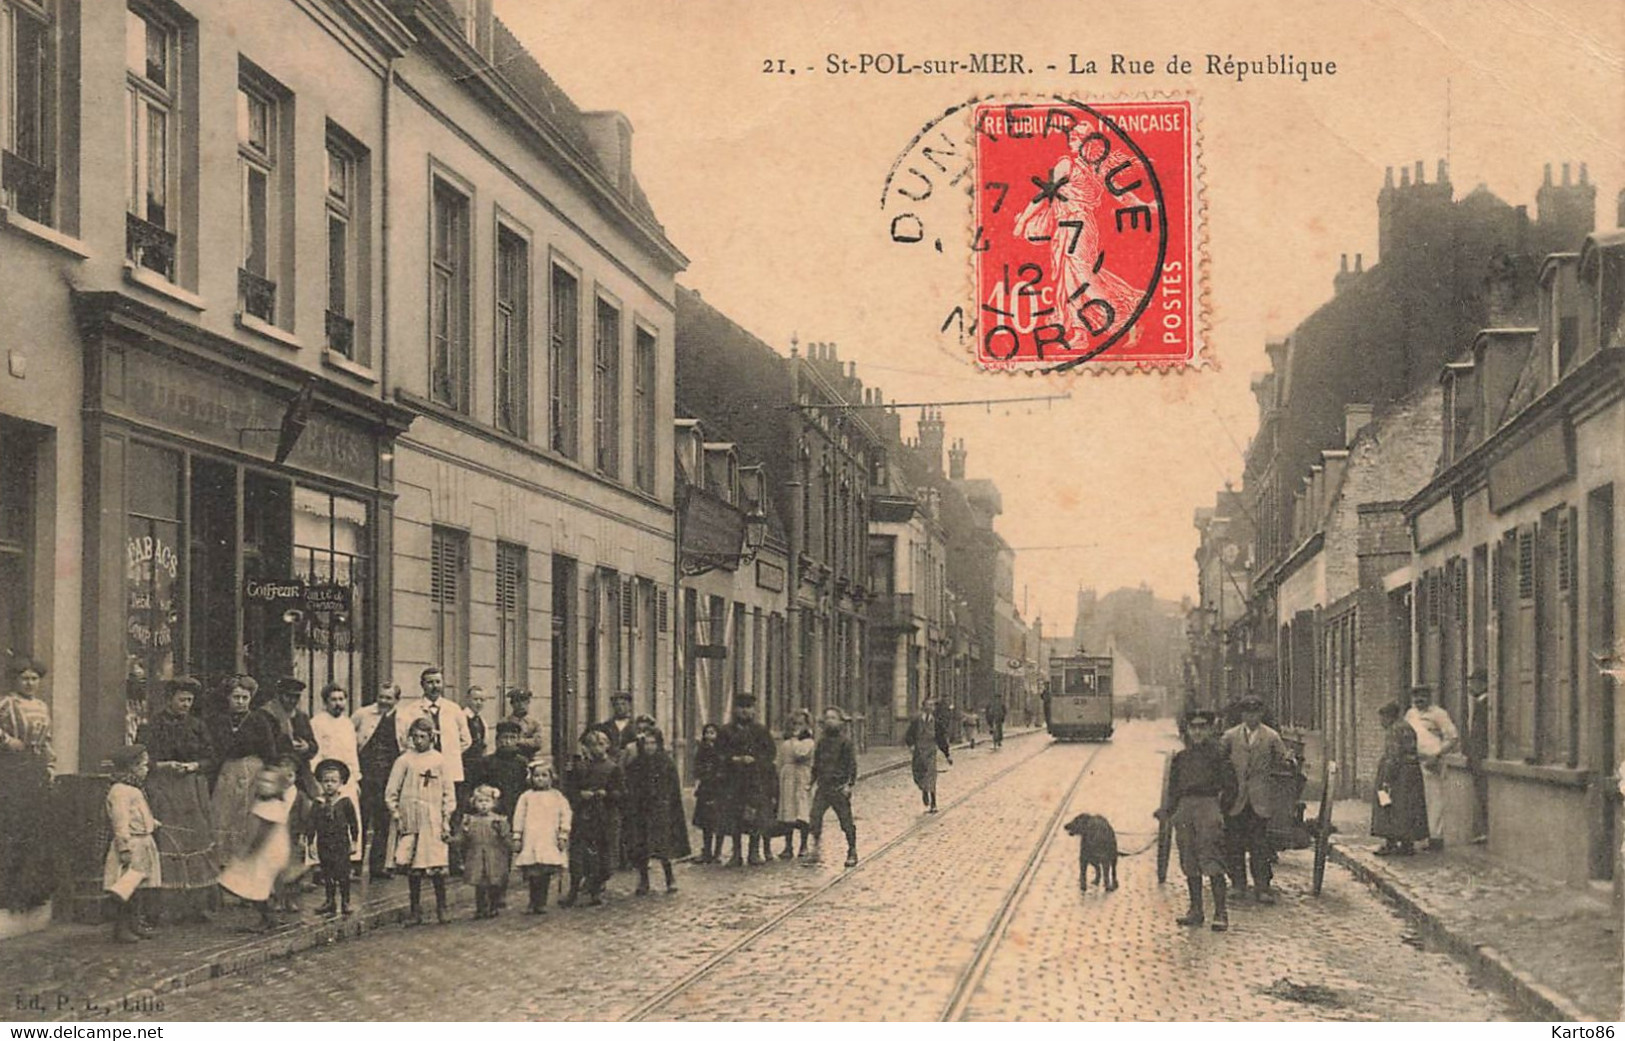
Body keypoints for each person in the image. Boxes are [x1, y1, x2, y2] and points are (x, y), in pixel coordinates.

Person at [136, 676, 219, 923]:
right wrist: (164, 765)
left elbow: (211, 759)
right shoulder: (152, 726)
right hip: (164, 788)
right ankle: (164, 907)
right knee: (169, 841)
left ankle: (193, 906)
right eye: (182, 699)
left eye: (190, 700)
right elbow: (141, 759)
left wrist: (194, 765)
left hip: (192, 791)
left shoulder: (197, 726)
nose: (186, 705)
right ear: (170, 699)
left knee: (194, 840)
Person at [1160, 709, 1237, 931]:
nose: (1197, 732)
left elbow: (1231, 787)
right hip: (1184, 809)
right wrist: (1171, 812)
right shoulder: (1181, 758)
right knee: (1189, 859)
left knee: (1211, 858)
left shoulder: (1219, 756)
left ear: (1210, 729)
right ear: (1188, 731)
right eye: (1193, 728)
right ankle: (1195, 910)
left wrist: (1220, 811)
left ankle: (1221, 913)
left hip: (1208, 806)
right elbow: (1173, 789)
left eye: (1202, 727)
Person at [1219, 693, 1291, 904]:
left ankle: (1262, 887)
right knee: (1234, 844)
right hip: (1236, 800)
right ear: (1242, 714)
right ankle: (1238, 884)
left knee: (1259, 844)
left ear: (1261, 714)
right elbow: (1219, 760)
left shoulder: (1271, 737)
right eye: (1247, 713)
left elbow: (1282, 760)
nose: (1251, 717)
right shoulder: (1230, 736)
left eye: (1255, 713)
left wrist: (1289, 760)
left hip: (1260, 799)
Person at [0, 657, 56, 914]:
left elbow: (46, 741)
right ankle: (9, 893)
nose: (30, 683)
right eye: (25, 678)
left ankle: (31, 892)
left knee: (35, 828)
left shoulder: (42, 707)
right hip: (11, 769)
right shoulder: (7, 703)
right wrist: (7, 740)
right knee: (13, 826)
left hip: (35, 770)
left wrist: (50, 766)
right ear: (16, 680)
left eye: (34, 679)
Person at [386, 717, 456, 925]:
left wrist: (446, 817)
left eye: (423, 737)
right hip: (411, 818)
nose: (418, 741)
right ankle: (415, 911)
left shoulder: (439, 760)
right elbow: (391, 791)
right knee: (414, 868)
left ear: (431, 737)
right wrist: (397, 814)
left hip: (433, 818)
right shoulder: (404, 760)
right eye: (414, 737)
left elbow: (448, 792)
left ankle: (442, 908)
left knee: (436, 865)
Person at [217, 755, 299, 933]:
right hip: (264, 852)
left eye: (270, 783)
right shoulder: (263, 802)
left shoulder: (273, 806)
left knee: (256, 886)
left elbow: (262, 834)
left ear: (278, 786)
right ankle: (269, 917)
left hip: (266, 852)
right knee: (255, 886)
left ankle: (268, 918)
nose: (264, 785)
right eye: (261, 781)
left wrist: (247, 849)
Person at [207, 675, 280, 868]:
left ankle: (247, 863)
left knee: (247, 816)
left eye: (244, 698)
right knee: (224, 815)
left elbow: (270, 753)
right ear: (228, 698)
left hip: (253, 773)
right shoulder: (218, 721)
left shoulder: (259, 721)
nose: (240, 702)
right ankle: (224, 861)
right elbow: (213, 749)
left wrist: (269, 781)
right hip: (227, 773)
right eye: (236, 697)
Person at [103, 744, 161, 943]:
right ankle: (121, 928)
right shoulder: (120, 791)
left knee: (139, 889)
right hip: (132, 845)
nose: (146, 769)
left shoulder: (134, 789)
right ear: (131, 767)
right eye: (143, 765)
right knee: (125, 889)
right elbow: (120, 821)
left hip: (143, 843)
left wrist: (152, 823)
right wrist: (124, 847)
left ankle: (135, 924)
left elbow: (139, 814)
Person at [624, 727, 690, 895]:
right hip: (641, 810)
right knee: (642, 845)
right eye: (646, 743)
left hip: (661, 810)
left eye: (653, 743)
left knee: (663, 846)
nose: (649, 747)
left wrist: (668, 805)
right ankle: (643, 879)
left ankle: (670, 878)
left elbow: (673, 789)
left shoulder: (666, 763)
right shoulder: (636, 764)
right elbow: (630, 786)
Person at [562, 730, 625, 906]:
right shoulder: (579, 767)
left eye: (600, 744)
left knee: (604, 855)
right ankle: (573, 890)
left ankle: (596, 888)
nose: (596, 748)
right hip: (583, 816)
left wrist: (607, 794)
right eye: (591, 745)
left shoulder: (613, 768)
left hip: (605, 816)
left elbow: (621, 793)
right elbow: (568, 791)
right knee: (578, 855)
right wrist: (580, 795)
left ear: (607, 746)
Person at [717, 694, 777, 866]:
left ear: (753, 710)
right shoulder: (726, 731)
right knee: (734, 816)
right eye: (741, 707)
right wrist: (732, 759)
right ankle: (736, 853)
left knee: (755, 815)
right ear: (735, 709)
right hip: (733, 781)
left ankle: (754, 852)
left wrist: (756, 760)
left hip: (755, 780)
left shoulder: (761, 730)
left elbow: (771, 753)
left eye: (748, 707)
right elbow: (719, 753)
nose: (745, 711)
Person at [353, 682, 402, 879]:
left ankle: (378, 866)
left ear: (396, 700)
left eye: (388, 698)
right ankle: (355, 864)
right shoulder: (363, 714)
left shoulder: (403, 719)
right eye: (381, 697)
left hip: (388, 777)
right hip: (365, 776)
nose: (383, 701)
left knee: (383, 821)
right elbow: (349, 736)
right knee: (360, 820)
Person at [310, 683, 361, 871]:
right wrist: (318, 778)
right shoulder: (317, 722)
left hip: (346, 779)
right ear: (325, 702)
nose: (338, 703)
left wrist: (355, 777)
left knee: (347, 818)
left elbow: (352, 753)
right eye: (333, 700)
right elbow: (315, 753)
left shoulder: (348, 724)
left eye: (341, 699)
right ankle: (319, 865)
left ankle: (348, 862)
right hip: (326, 778)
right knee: (323, 820)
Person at [511, 759, 570, 914]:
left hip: (549, 838)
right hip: (531, 838)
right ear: (531, 778)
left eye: (544, 776)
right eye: (537, 776)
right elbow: (519, 816)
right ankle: (532, 900)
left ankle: (541, 901)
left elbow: (565, 815)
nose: (540, 779)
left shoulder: (557, 796)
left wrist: (563, 834)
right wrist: (517, 836)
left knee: (545, 872)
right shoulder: (526, 797)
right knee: (532, 872)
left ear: (551, 777)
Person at [1406, 685, 1459, 851]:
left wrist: (1437, 754)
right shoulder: (1410, 714)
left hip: (1433, 761)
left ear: (1429, 697)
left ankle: (1436, 838)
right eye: (1415, 697)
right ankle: (1421, 835)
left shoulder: (1439, 714)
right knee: (1417, 799)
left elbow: (1452, 737)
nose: (1418, 700)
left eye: (1422, 697)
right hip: (1415, 761)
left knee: (1434, 799)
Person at [1371, 702, 1428, 857]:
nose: (1381, 722)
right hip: (1412, 774)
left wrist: (1386, 780)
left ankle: (1390, 843)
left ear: (1389, 717)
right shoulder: (1408, 728)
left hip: (1399, 775)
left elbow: (1393, 756)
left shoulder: (1394, 731)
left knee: (1388, 805)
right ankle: (1406, 844)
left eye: (1382, 718)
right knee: (1408, 808)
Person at [306, 760, 360, 916]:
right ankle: (329, 901)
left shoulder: (345, 802)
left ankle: (345, 901)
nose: (329, 785)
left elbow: (353, 823)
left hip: (341, 843)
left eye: (333, 781)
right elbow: (312, 824)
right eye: (326, 781)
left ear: (341, 782)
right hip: (324, 843)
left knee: (343, 874)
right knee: (327, 873)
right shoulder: (318, 803)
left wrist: (354, 841)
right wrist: (310, 842)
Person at [808, 707, 859, 868]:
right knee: (815, 817)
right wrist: (811, 782)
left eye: (833, 718)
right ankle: (815, 849)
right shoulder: (821, 742)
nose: (830, 721)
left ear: (840, 722)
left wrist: (849, 785)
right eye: (827, 718)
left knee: (845, 821)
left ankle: (852, 850)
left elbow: (852, 765)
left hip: (838, 787)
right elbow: (816, 764)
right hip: (823, 787)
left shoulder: (845, 742)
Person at [457, 784, 511, 919]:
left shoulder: (498, 820)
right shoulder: (470, 820)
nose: (483, 805)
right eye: (480, 801)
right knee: (480, 883)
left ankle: (493, 905)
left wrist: (508, 838)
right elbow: (463, 837)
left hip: (493, 854)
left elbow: (505, 836)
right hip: (476, 854)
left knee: (493, 881)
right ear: (474, 803)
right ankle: (480, 908)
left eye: (487, 801)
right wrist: (454, 838)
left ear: (493, 803)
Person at [775, 709, 816, 859]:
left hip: (802, 777)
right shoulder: (785, 742)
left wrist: (794, 739)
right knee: (788, 812)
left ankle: (804, 845)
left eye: (800, 724)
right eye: (793, 724)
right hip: (788, 778)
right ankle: (788, 845)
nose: (796, 727)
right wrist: (778, 773)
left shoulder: (808, 742)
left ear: (806, 725)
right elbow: (780, 760)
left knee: (802, 811)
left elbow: (800, 754)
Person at [904, 697, 952, 813]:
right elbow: (909, 735)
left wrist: (947, 755)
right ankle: (924, 791)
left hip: (931, 752)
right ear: (923, 707)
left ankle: (933, 802)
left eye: (932, 706)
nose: (931, 708)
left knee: (931, 776)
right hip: (919, 752)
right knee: (918, 775)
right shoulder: (916, 721)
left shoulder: (936, 723)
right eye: (928, 705)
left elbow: (941, 739)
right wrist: (911, 745)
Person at [480, 721, 532, 818]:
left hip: (518, 809)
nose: (508, 742)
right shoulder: (487, 762)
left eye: (512, 738)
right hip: (495, 810)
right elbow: (481, 788)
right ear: (497, 740)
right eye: (505, 737)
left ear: (518, 740)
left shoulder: (522, 762)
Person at [692, 722, 725, 864]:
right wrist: (704, 774)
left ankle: (718, 852)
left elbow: (725, 768)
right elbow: (697, 768)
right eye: (707, 732)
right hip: (706, 789)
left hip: (719, 790)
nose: (710, 735)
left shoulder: (722, 750)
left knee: (719, 822)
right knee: (706, 822)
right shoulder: (701, 750)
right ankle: (707, 850)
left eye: (713, 732)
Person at [1465, 670, 1491, 844]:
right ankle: (1482, 830)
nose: (1470, 687)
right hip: (1476, 758)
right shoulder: (1479, 704)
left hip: (1481, 758)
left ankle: (1485, 831)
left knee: (1483, 794)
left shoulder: (1485, 705)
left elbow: (1481, 735)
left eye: (1473, 682)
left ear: (1483, 684)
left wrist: (1477, 756)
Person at [502, 688, 545, 759]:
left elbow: (538, 743)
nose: (521, 705)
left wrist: (518, 741)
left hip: (529, 759)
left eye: (524, 701)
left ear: (528, 702)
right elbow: (502, 743)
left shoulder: (535, 723)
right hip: (510, 760)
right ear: (512, 704)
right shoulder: (505, 722)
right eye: (517, 701)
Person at [462, 685, 490, 780]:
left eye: (482, 700)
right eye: (475, 699)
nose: (479, 703)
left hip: (478, 766)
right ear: (467, 699)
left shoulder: (482, 721)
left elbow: (484, 745)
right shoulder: (461, 718)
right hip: (464, 764)